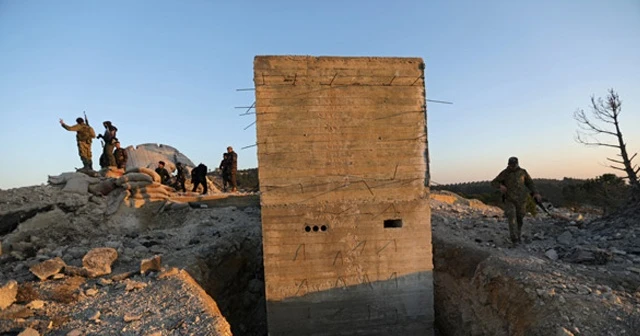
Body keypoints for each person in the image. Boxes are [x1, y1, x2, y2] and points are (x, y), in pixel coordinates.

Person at [491, 156, 542, 245]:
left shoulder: (523, 172)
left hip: (521, 200)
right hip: (509, 199)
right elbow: (493, 182)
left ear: (517, 164)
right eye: (510, 165)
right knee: (512, 217)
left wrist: (536, 193)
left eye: (514, 165)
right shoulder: (505, 173)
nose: (512, 167)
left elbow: (530, 183)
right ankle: (514, 239)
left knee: (519, 219)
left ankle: (518, 235)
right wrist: (500, 186)